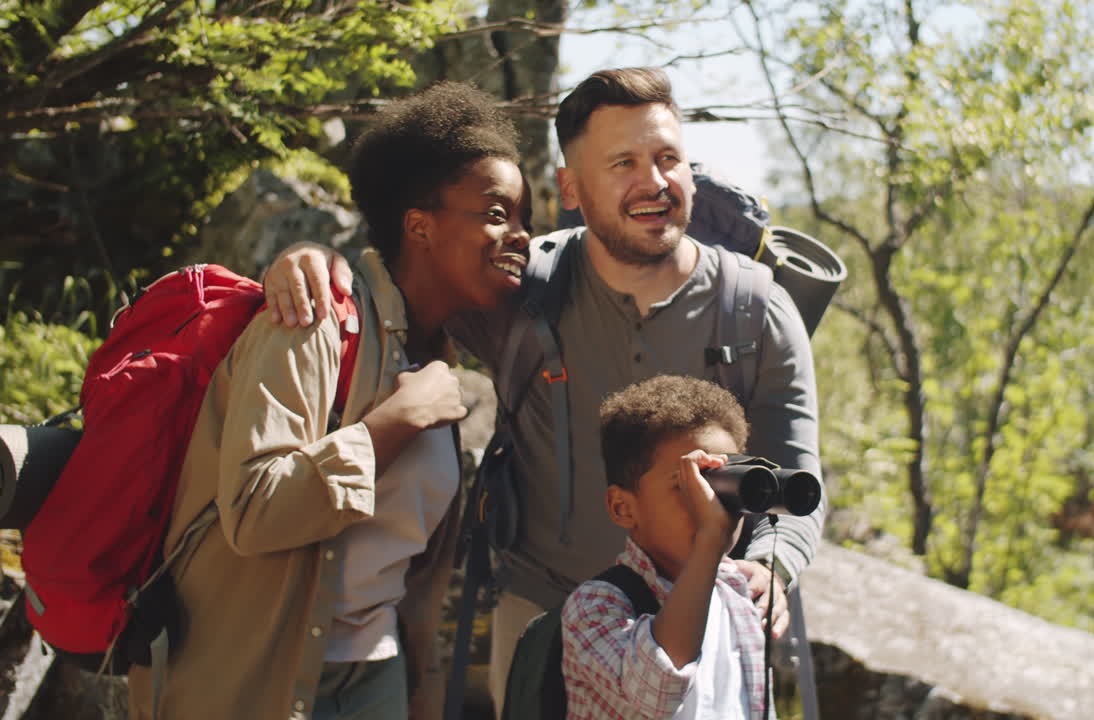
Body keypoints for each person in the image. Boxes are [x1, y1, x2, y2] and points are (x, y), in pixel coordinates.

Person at [262, 66, 823, 715]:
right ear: (572, 186)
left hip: (703, 618)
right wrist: (311, 259)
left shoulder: (757, 312)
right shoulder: (520, 288)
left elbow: (796, 479)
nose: (654, 182)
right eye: (623, 163)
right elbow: (404, 275)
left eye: (669, 158)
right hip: (544, 620)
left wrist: (771, 568)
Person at [128, 81, 531, 720]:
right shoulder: (314, 320)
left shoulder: (438, 358)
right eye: (496, 212)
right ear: (419, 226)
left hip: (377, 674)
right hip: (251, 678)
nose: (521, 234)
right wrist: (396, 423)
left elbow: (408, 569)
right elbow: (256, 512)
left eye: (523, 216)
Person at [561, 374, 775, 719]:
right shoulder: (596, 606)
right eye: (688, 485)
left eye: (726, 481)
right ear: (623, 507)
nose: (712, 503)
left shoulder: (740, 596)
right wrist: (709, 540)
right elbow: (656, 694)